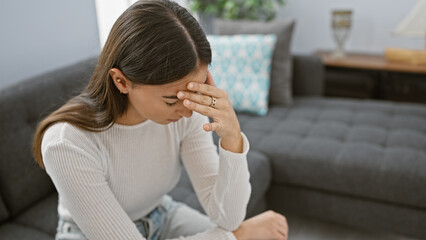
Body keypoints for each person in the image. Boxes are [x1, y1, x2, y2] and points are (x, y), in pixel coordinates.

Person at [32, 0, 288, 239]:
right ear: (121, 81)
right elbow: (232, 230)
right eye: (171, 99)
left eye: (195, 91)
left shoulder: (186, 112)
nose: (188, 111)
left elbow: (227, 217)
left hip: (160, 215)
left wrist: (232, 138)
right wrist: (235, 236)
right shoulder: (66, 143)